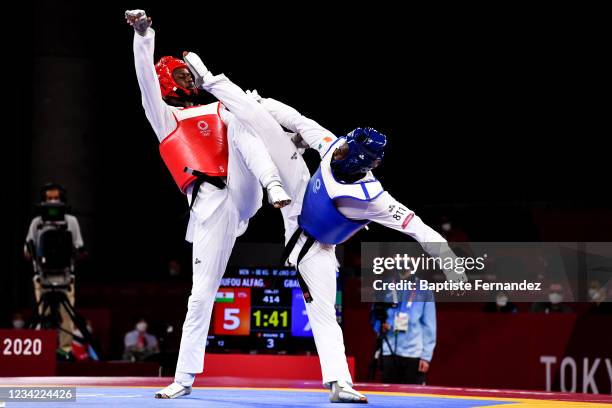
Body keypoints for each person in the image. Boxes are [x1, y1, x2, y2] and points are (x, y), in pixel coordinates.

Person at [233, 89, 468, 402]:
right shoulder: (333, 145)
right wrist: (261, 102)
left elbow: (419, 229)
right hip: (298, 204)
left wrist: (450, 262)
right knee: (277, 134)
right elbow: (298, 119)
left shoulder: (375, 200)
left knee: (324, 315)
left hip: (313, 246)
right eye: (343, 146)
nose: (339, 151)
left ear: (359, 163)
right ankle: (240, 103)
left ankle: (339, 384)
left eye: (346, 152)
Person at [125, 10, 292, 399]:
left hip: (246, 186)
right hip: (210, 205)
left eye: (190, 72)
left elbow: (254, 131)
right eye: (181, 74)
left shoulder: (219, 107)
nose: (189, 77)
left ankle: (275, 185)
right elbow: (145, 81)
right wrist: (143, 35)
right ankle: (183, 378)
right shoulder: (165, 118)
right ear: (169, 83)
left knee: (243, 118)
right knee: (201, 294)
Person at [24, 182, 84, 354]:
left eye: (56, 198)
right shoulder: (37, 223)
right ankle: (42, 351)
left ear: (62, 199)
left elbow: (79, 246)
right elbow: (27, 249)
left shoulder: (71, 221)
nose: (52, 202)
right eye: (49, 198)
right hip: (43, 277)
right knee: (43, 316)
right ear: (43, 200)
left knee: (66, 317)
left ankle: (65, 351)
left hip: (66, 277)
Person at [371, 273, 436, 385]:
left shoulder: (424, 288)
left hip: (413, 354)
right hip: (388, 350)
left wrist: (426, 357)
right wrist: (379, 326)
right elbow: (375, 314)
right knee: (389, 398)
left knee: (413, 398)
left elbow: (429, 326)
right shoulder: (384, 286)